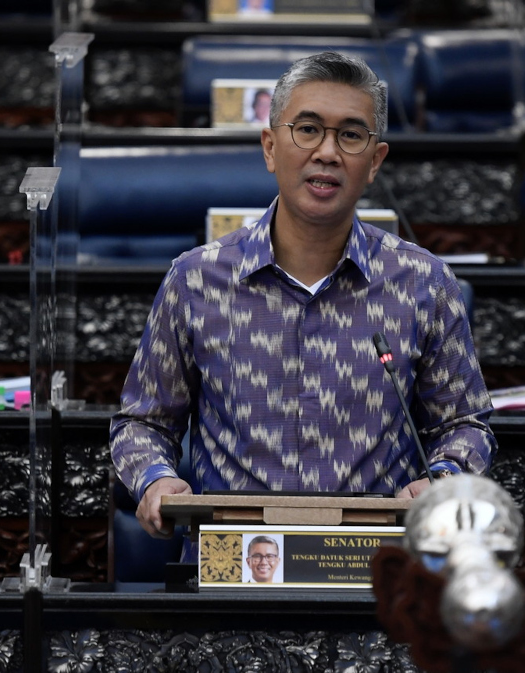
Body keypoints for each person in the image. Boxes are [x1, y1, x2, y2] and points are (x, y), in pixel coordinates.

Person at [111, 51, 497, 541]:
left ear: (375, 161)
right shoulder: (196, 281)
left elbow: (466, 425)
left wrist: (443, 480)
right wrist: (155, 479)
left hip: (374, 569)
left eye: (351, 135)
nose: (328, 152)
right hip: (234, 571)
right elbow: (142, 423)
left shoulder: (422, 282)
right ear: (270, 147)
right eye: (308, 129)